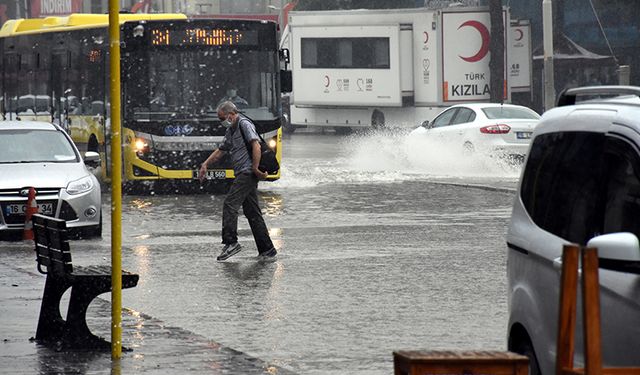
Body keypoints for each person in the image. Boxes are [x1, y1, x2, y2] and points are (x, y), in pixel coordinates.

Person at [198, 101, 277, 261]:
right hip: (243, 172)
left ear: (231, 114)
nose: (221, 121)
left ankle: (231, 242)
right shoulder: (231, 130)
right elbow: (221, 150)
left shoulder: (244, 124)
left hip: (247, 173)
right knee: (252, 212)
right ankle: (267, 250)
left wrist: (255, 169)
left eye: (222, 118)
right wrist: (205, 164)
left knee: (230, 204)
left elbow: (256, 146)